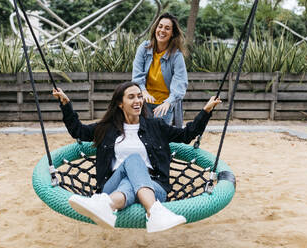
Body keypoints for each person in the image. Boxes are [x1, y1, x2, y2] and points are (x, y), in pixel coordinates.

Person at [52, 82, 221, 233]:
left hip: (155, 187)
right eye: (131, 97)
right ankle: (154, 212)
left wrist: (206, 111)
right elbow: (78, 131)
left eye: (140, 96)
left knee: (130, 175)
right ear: (120, 103)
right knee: (133, 161)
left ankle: (106, 204)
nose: (138, 101)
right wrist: (66, 104)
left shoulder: (156, 126)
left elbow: (186, 134)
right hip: (113, 184)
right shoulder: (106, 128)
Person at [132, 12, 188, 128]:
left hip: (164, 105)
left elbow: (180, 82)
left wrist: (168, 102)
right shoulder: (144, 48)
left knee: (160, 139)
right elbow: (137, 76)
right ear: (155, 28)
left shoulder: (176, 55)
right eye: (160, 26)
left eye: (167, 28)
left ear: (172, 33)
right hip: (144, 103)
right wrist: (143, 91)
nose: (162, 30)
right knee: (143, 137)